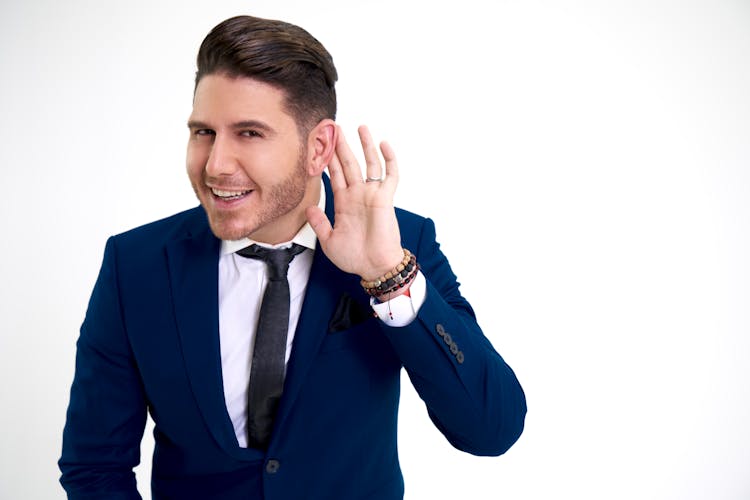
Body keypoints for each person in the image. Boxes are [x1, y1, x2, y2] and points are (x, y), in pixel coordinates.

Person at [58, 14, 527, 500]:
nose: (215, 165)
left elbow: (492, 429)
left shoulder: (399, 241)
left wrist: (388, 278)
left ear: (318, 146)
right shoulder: (135, 265)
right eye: (203, 133)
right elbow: (94, 466)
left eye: (249, 133)